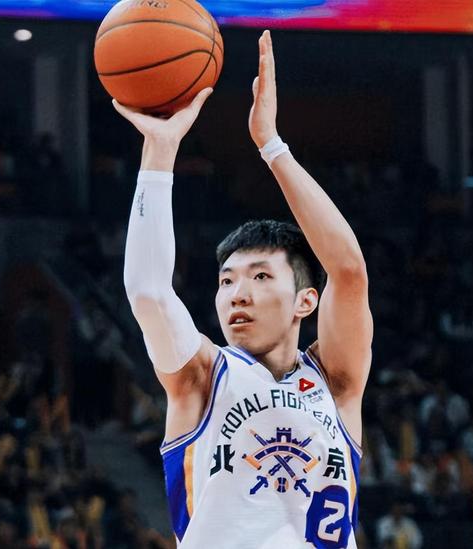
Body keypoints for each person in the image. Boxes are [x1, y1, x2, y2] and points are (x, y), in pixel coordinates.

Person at [116, 30, 372, 548]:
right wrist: (160, 150)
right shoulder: (201, 376)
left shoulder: (337, 381)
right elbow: (147, 291)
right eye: (227, 280)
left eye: (260, 276)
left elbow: (347, 270)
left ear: (305, 300)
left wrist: (272, 146)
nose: (237, 293)